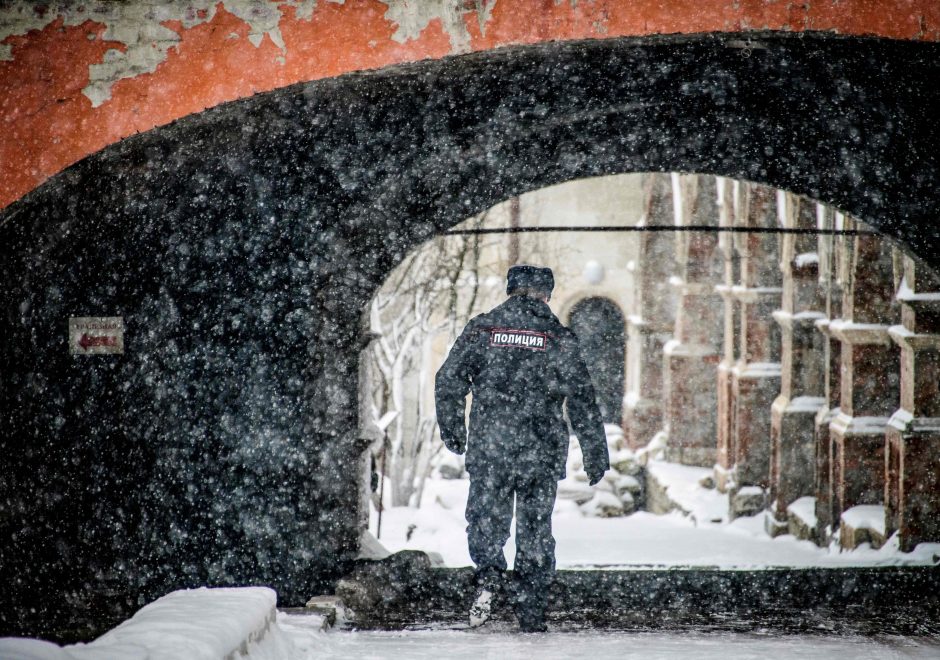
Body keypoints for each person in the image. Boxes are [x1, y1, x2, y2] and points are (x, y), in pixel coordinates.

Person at [435, 264, 609, 632]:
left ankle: (489, 578)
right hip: (540, 451)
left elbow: (448, 378)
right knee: (535, 529)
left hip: (491, 447)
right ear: (547, 294)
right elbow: (581, 397)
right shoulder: (558, 337)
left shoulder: (483, 328)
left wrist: (454, 430)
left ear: (511, 289)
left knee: (486, 520)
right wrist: (595, 452)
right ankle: (530, 609)